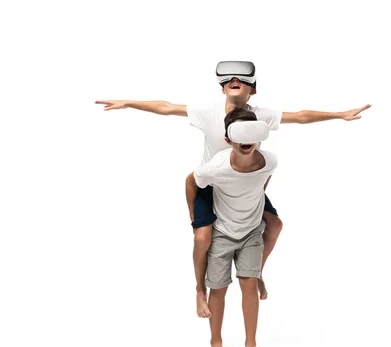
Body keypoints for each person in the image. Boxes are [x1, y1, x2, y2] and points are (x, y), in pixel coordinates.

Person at [95, 61, 371, 318]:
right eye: (228, 78)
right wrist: (129, 102)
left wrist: (338, 115)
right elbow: (167, 107)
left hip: (244, 185)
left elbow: (300, 116)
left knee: (274, 224)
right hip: (212, 183)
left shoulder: (262, 115)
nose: (235, 79)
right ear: (223, 86)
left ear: (252, 88)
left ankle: (256, 271)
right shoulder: (208, 112)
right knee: (203, 238)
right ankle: (198, 289)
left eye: (242, 78)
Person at [195, 108, 275, 347]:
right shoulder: (216, 167)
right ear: (228, 139)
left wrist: (254, 203)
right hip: (222, 231)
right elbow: (191, 183)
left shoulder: (270, 161)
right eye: (238, 135)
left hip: (251, 230)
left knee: (248, 285)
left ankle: (251, 344)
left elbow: (263, 180)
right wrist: (197, 221)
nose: (246, 140)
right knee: (217, 289)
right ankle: (215, 340)